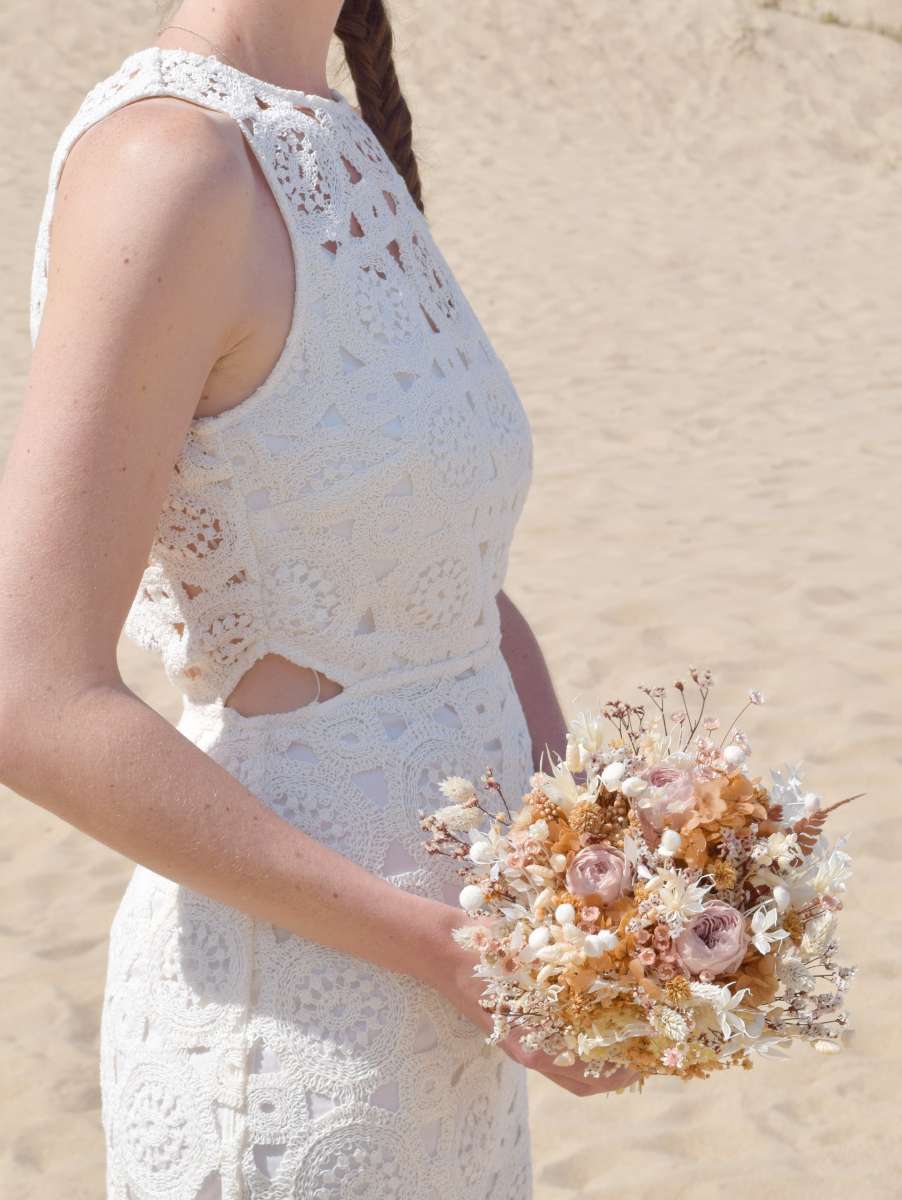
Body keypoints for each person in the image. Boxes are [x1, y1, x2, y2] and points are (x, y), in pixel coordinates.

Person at [0, 1, 637, 1195]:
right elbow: (28, 698)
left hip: (453, 1026)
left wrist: (587, 857)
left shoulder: (334, 135)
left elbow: (456, 602)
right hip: (297, 1034)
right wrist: (437, 947)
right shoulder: (169, 163)